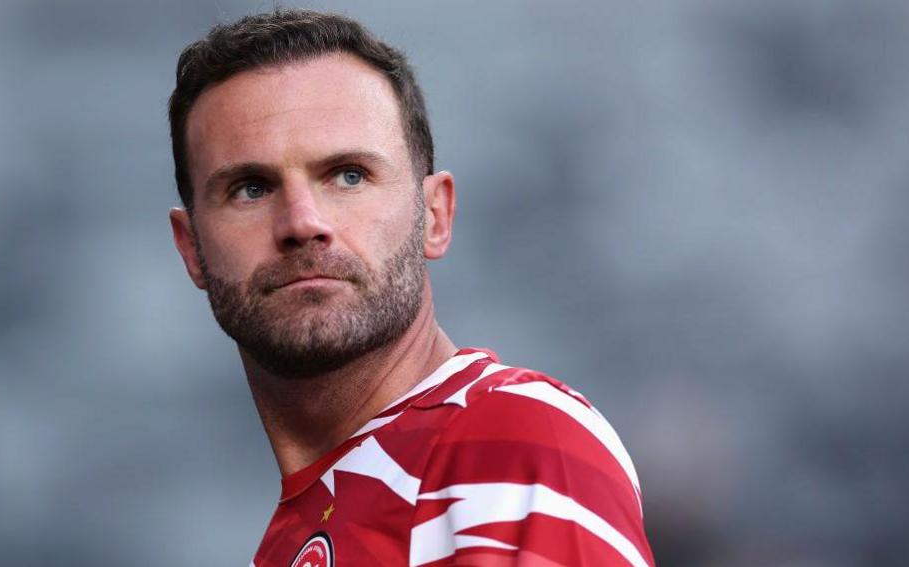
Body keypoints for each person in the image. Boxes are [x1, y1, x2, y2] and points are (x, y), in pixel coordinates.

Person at [167, 9, 654, 567]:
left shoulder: (511, 442)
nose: (302, 222)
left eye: (349, 175)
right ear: (191, 247)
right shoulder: (293, 537)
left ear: (435, 216)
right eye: (251, 189)